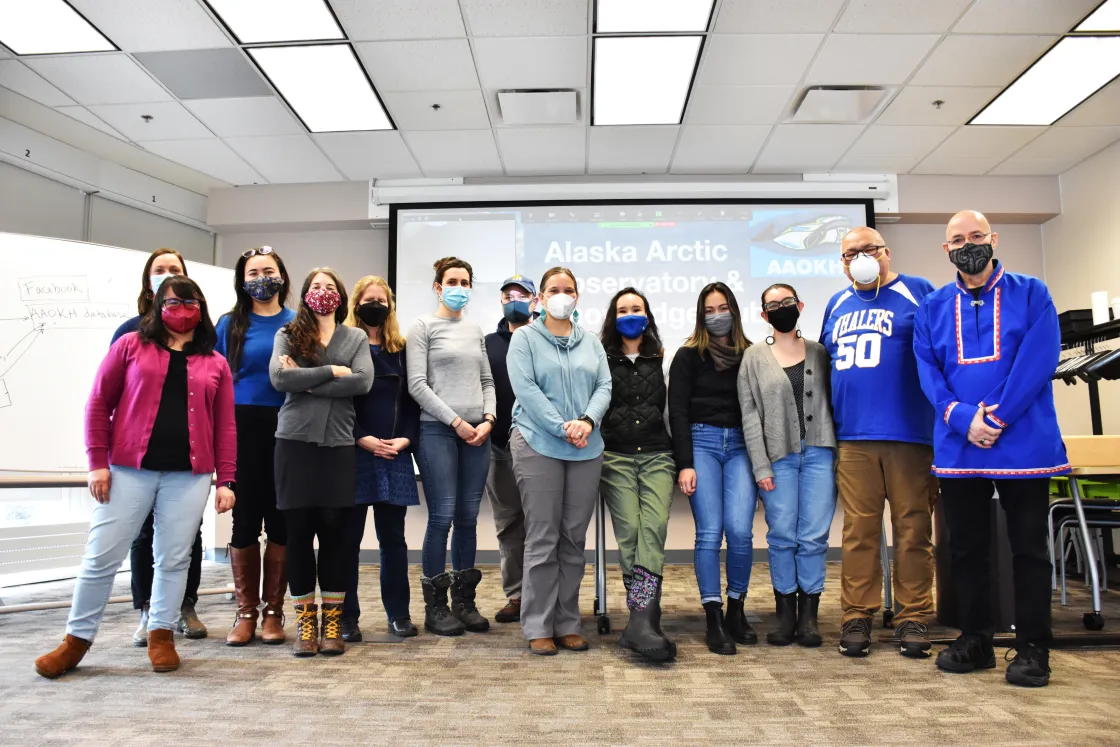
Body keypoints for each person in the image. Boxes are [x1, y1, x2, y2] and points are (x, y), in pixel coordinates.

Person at [35, 276, 236, 679]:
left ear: (202, 307)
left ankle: (161, 634)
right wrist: (97, 462)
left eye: (189, 301)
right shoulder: (129, 346)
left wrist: (226, 480)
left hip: (189, 477)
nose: (181, 309)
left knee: (174, 558)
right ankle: (76, 640)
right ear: (156, 305)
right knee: (101, 556)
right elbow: (98, 403)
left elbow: (225, 426)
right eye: (172, 301)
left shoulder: (215, 362)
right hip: (128, 470)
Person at [914, 210, 1068, 688]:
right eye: (957, 239)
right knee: (965, 549)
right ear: (946, 250)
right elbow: (928, 371)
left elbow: (1038, 361)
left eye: (976, 236)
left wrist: (995, 417)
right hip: (960, 447)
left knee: (1029, 549)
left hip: (1023, 442)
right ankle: (976, 638)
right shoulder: (933, 306)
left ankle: (1033, 648)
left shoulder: (1032, 293)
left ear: (993, 239)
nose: (968, 244)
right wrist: (963, 419)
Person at [820, 228, 939, 659]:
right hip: (853, 439)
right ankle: (857, 614)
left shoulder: (918, 292)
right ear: (843, 262)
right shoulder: (836, 303)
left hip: (910, 435)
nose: (860, 258)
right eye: (850, 254)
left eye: (867, 250)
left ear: (886, 253)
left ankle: (914, 617)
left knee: (912, 529)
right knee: (859, 532)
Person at [508, 267, 612, 656]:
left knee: (573, 539)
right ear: (540, 298)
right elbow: (527, 390)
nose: (562, 295)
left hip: (586, 445)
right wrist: (561, 426)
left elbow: (604, 385)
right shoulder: (525, 339)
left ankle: (567, 622)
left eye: (569, 289)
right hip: (538, 444)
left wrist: (586, 421)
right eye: (554, 289)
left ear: (577, 297)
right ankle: (538, 625)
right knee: (543, 537)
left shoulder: (592, 343)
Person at [270, 268, 373, 657]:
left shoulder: (356, 336)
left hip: (338, 445)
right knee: (298, 536)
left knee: (334, 536)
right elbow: (280, 380)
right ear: (306, 294)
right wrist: (331, 372)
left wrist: (306, 380)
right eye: (316, 287)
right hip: (294, 443)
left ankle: (332, 624)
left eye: (330, 287)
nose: (323, 292)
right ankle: (305, 625)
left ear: (341, 296)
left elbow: (363, 382)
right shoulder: (289, 332)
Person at [111, 248, 208, 644]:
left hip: (187, 461)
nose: (167, 276)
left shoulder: (202, 339)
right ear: (150, 283)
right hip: (138, 461)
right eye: (159, 271)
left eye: (175, 271)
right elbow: (113, 396)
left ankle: (185, 605)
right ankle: (148, 611)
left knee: (188, 535)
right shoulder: (129, 333)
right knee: (142, 535)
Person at [739, 283, 836, 648]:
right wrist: (760, 465)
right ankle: (785, 615)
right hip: (777, 458)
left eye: (787, 302)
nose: (781, 308)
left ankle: (809, 618)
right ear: (764, 315)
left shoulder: (819, 352)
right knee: (781, 536)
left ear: (800, 305)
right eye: (773, 305)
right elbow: (749, 415)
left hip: (820, 453)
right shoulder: (753, 357)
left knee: (813, 536)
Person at [407, 257, 497, 636]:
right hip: (439, 432)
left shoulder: (475, 329)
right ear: (438, 287)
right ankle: (435, 607)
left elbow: (487, 380)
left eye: (465, 281)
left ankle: (464, 601)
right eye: (452, 281)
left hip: (479, 435)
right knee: (441, 517)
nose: (460, 287)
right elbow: (417, 385)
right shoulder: (422, 327)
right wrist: (457, 422)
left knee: (467, 519)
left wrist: (488, 420)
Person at [668, 282, 756, 655]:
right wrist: (684, 464)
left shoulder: (751, 355)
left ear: (734, 310)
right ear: (700, 314)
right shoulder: (688, 355)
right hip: (701, 443)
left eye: (723, 308)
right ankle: (713, 615)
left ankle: (736, 608)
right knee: (709, 532)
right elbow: (678, 413)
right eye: (709, 309)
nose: (717, 315)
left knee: (739, 530)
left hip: (741, 446)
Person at [215, 246, 295, 647]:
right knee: (244, 519)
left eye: (268, 270)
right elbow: (213, 379)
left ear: (281, 275)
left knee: (281, 520)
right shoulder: (229, 324)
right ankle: (245, 612)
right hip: (240, 427)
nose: (260, 277)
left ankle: (274, 612)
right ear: (242, 281)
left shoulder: (298, 323)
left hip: (287, 427)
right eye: (252, 272)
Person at [341, 275, 421, 641]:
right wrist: (363, 439)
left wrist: (405, 439)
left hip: (395, 454)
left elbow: (411, 402)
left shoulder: (401, 349)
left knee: (394, 541)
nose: (376, 305)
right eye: (368, 299)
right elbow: (338, 403)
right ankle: (346, 617)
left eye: (382, 299)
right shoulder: (343, 348)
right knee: (347, 542)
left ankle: (399, 615)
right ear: (355, 305)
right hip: (353, 452)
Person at [598, 287, 676, 662]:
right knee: (629, 530)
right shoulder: (600, 357)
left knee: (654, 527)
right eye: (623, 309)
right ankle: (643, 618)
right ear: (613, 318)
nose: (630, 314)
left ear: (648, 315)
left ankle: (641, 618)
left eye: (637, 308)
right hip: (615, 456)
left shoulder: (662, 356)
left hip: (658, 455)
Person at [483, 274, 538, 624]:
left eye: (521, 294)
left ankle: (542, 596)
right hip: (498, 445)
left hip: (540, 447)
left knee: (542, 526)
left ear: (535, 301)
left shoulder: (545, 338)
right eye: (507, 295)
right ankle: (516, 596)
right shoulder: (488, 342)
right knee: (508, 524)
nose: (513, 299)